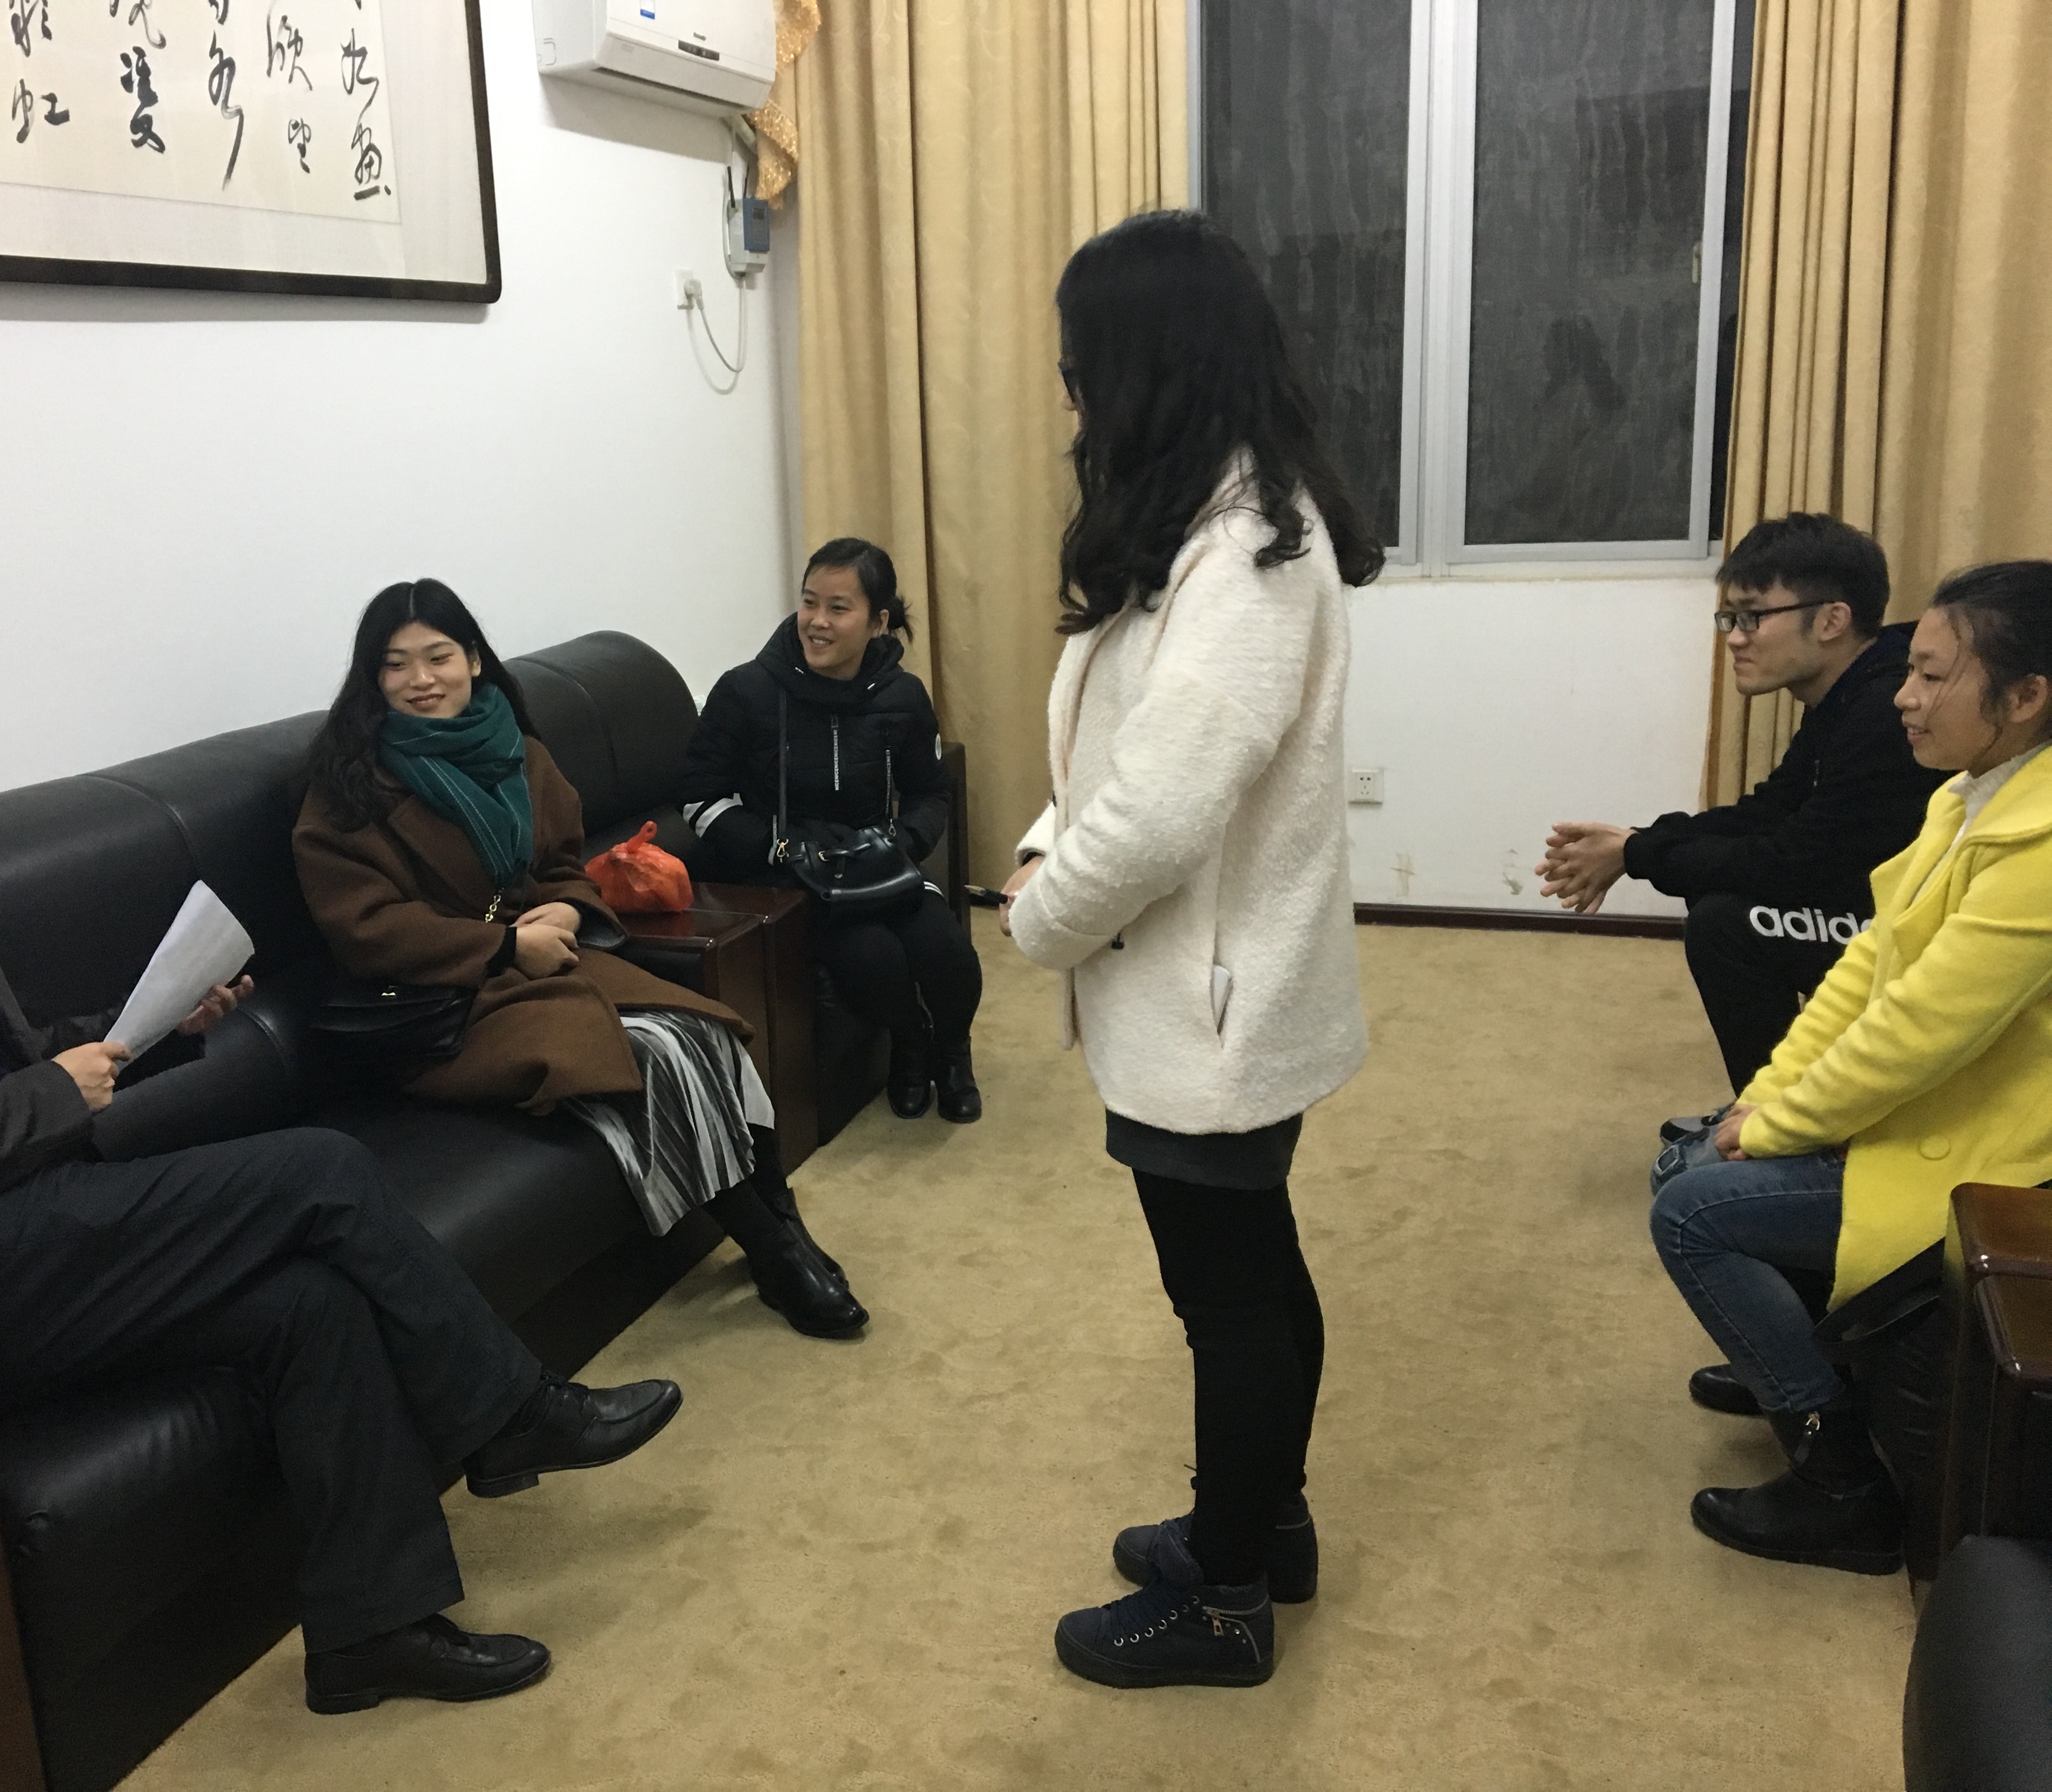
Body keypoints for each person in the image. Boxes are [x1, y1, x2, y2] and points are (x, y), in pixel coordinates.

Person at [0, 660, 683, 1714]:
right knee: (322, 1168)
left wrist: (149, 1033)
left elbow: (9, 1072)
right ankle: (512, 1411)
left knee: (308, 1304)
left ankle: (372, 1630)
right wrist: (53, 1094)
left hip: (9, 1236)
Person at [999, 210, 1383, 1689]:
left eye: (1081, 366)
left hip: (1211, 995)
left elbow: (1162, 812)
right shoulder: (1216, 520)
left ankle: (1226, 1602)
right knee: (1252, 1272)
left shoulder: (1247, 555)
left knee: (1227, 1297)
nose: (1072, 396)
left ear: (1147, 364)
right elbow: (1127, 750)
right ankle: (1263, 1527)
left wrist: (1039, 916)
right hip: (1209, 982)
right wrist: (1052, 834)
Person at [292, 579, 867, 1339]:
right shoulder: (347, 785)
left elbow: (563, 865)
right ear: (372, 677)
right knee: (648, 1057)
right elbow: (366, 929)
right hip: (444, 1004)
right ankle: (774, 1253)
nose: (421, 679)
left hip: (540, 965)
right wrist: (503, 945)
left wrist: (567, 908)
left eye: (439, 656)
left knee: (708, 1035)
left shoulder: (516, 751)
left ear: (473, 660)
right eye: (396, 664)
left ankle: (786, 1225)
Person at [1648, 562, 2052, 1575]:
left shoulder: (2043, 846)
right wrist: (1763, 1097)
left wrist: (1781, 1127)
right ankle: (1796, 1353)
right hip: (1927, 1110)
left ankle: (1841, 1484)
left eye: (1931, 676)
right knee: (1693, 1155)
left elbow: (1918, 1030)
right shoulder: (1969, 794)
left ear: (2024, 697)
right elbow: (1864, 969)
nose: (1903, 698)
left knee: (1690, 1211)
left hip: (1989, 1154)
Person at [1538, 514, 1948, 1092]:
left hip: (1929, 935)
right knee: (1716, 885)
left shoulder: (1885, 708)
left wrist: (1637, 854)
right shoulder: (1851, 691)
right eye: (1730, 618)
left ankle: (1778, 1121)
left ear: (1831, 620)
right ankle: (1783, 1103)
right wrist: (1637, 843)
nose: (1734, 637)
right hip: (1871, 902)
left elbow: (1796, 864)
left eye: (1752, 617)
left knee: (1728, 926)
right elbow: (1769, 812)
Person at [676, 537, 983, 1122]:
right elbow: (698, 797)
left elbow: (931, 791)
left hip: (879, 865)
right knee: (874, 959)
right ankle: (911, 1043)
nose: (817, 621)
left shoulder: (902, 696)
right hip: (793, 875)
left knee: (947, 953)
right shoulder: (746, 691)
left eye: (838, 608)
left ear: (878, 622)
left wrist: (903, 843)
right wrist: (778, 847)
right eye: (809, 602)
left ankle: (954, 1053)